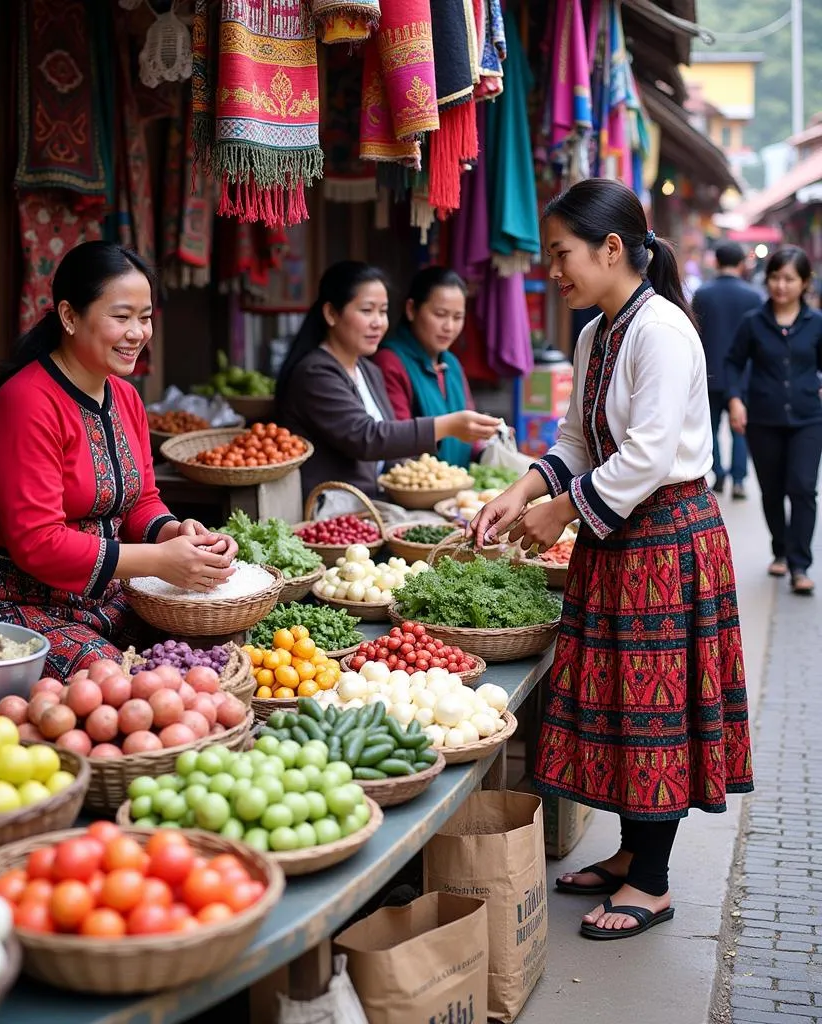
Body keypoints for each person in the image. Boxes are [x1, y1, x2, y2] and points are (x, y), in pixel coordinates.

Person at [469, 178, 753, 941]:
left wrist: (559, 512)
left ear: (612, 248)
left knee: (654, 709)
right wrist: (518, 490)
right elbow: (574, 443)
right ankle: (632, 854)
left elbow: (650, 454)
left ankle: (654, 885)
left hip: (665, 541)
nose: (552, 271)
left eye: (561, 254)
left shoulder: (660, 330)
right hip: (618, 539)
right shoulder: (601, 332)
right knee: (629, 704)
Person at [0, 241, 238, 679]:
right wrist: (159, 561)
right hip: (4, 602)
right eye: (121, 317)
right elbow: (38, 544)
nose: (137, 332)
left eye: (145, 317)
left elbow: (141, 501)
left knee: (201, 651)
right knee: (122, 685)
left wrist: (178, 533)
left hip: (95, 598)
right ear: (69, 317)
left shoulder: (127, 398)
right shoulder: (26, 403)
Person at [277, 261, 502, 501]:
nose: (378, 322)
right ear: (331, 313)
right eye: (367, 310)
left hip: (371, 504)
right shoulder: (315, 374)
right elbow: (368, 437)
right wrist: (446, 426)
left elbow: (392, 449)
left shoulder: (368, 371)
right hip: (331, 511)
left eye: (383, 311)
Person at [727, 245, 822, 595]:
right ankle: (780, 550)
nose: (781, 286)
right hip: (763, 419)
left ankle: (800, 565)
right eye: (775, 278)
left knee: (802, 487)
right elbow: (733, 362)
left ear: (804, 283)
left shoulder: (816, 323)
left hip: (809, 418)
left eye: (789, 279)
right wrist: (736, 399)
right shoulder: (754, 322)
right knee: (771, 490)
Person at [372, 267, 484, 468]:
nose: (449, 326)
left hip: (459, 486)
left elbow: (470, 431)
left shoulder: (451, 363)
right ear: (411, 309)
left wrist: (487, 441)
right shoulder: (389, 362)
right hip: (417, 488)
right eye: (440, 314)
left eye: (457, 317)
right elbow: (396, 440)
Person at [692, 241, 760, 499]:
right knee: (740, 427)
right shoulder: (753, 296)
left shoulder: (703, 294)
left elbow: (695, 332)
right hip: (742, 375)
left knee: (710, 428)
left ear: (716, 262)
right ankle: (740, 480)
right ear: (742, 264)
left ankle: (718, 474)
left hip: (709, 373)